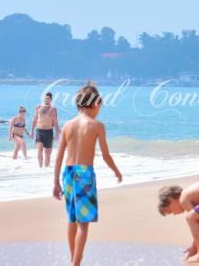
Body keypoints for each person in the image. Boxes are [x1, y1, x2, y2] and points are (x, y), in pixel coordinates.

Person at [53, 84, 122, 266]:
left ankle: (73, 259)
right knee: (83, 224)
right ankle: (76, 263)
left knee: (72, 220)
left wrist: (55, 183)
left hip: (68, 174)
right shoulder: (96, 125)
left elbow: (59, 155)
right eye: (100, 105)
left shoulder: (68, 125)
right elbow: (105, 155)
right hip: (85, 174)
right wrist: (116, 171)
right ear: (95, 104)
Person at [30, 92, 60, 167]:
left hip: (49, 132)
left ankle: (46, 169)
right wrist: (31, 131)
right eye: (45, 98)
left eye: (48, 99)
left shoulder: (53, 109)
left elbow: (55, 122)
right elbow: (35, 119)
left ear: (51, 100)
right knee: (39, 149)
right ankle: (40, 167)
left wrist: (57, 133)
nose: (46, 100)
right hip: (39, 131)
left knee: (47, 153)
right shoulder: (38, 107)